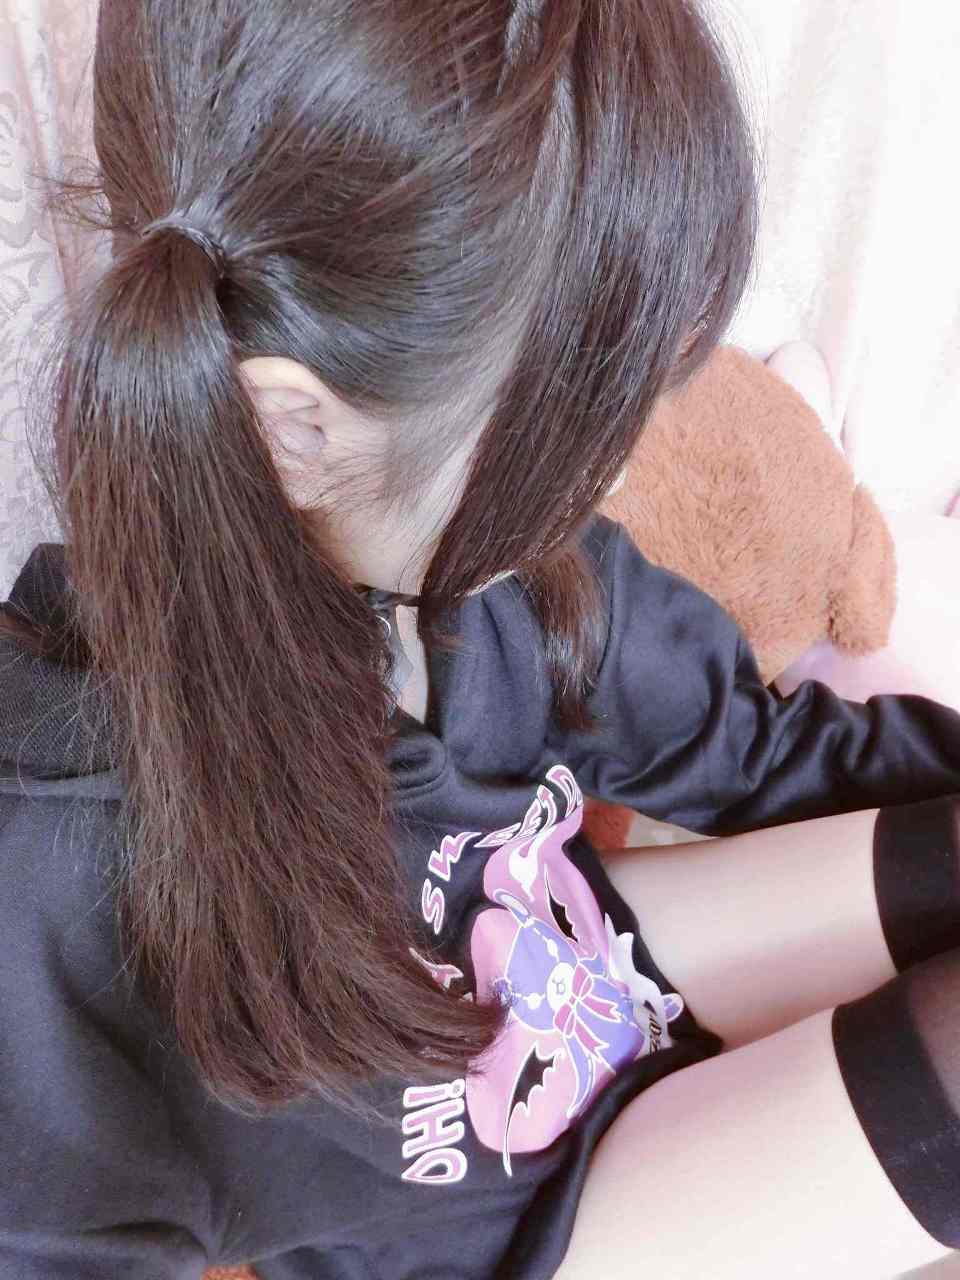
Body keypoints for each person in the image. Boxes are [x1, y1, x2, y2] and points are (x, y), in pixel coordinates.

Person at [1, 2, 960, 1277]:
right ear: (296, 430)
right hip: (529, 1224)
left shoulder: (508, 577)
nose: (619, 466)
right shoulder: (55, 880)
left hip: (588, 969)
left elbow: (755, 746)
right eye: (582, 419)